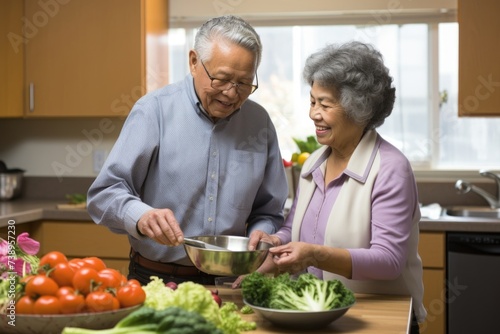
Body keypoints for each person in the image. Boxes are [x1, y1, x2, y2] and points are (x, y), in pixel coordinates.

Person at [86, 15, 288, 286]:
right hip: (157, 279)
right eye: (222, 79)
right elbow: (104, 194)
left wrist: (262, 234)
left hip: (232, 281)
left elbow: (269, 211)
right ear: (194, 62)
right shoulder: (153, 111)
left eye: (244, 83)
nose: (231, 93)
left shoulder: (259, 122)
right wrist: (141, 215)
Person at [241, 41, 426, 333]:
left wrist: (315, 254)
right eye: (312, 101)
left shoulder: (390, 168)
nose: (314, 113)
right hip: (318, 313)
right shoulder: (315, 161)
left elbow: (389, 261)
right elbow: (296, 229)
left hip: (378, 318)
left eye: (325, 104)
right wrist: (276, 242)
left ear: (359, 109)